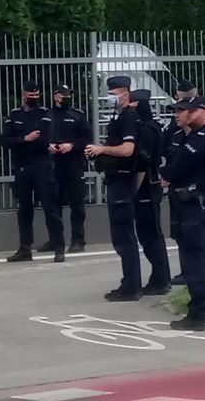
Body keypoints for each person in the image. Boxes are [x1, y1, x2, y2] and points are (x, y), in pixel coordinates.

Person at [162, 96, 205, 331]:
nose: (180, 114)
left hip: (195, 205)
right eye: (179, 110)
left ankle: (197, 313)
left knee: (194, 259)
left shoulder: (203, 139)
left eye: (186, 111)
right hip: (204, 203)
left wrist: (166, 172)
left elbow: (176, 166)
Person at [86, 76, 142, 301]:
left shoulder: (128, 117)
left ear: (126, 93)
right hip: (116, 180)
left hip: (122, 180)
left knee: (124, 235)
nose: (110, 98)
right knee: (120, 235)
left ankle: (131, 286)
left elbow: (128, 150)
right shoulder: (119, 117)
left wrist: (102, 150)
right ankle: (129, 282)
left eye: (113, 93)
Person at [0, 81, 65, 263]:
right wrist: (26, 138)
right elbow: (5, 141)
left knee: (50, 208)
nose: (34, 98)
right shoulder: (14, 115)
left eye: (37, 96)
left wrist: (24, 141)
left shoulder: (44, 114)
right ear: (23, 94)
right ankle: (25, 248)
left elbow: (44, 140)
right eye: (31, 95)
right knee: (24, 209)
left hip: (42, 166)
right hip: (22, 167)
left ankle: (59, 247)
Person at [130, 89, 171, 295]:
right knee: (151, 234)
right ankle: (160, 277)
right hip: (153, 184)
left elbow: (142, 165)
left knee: (150, 235)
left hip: (147, 185)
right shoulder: (154, 126)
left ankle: (161, 279)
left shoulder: (146, 130)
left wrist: (134, 191)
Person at [44, 84, 91, 253]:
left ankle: (78, 240)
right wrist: (47, 146)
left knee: (77, 204)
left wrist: (71, 145)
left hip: (73, 164)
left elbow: (87, 138)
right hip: (52, 164)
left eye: (68, 95)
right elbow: (39, 137)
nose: (66, 98)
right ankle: (55, 240)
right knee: (52, 204)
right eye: (63, 95)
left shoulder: (77, 115)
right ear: (55, 96)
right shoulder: (46, 115)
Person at [164, 81, 197, 286]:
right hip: (176, 189)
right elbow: (165, 149)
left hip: (193, 192)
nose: (177, 111)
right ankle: (186, 270)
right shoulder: (174, 132)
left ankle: (193, 272)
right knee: (178, 231)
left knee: (192, 234)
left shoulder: (202, 135)